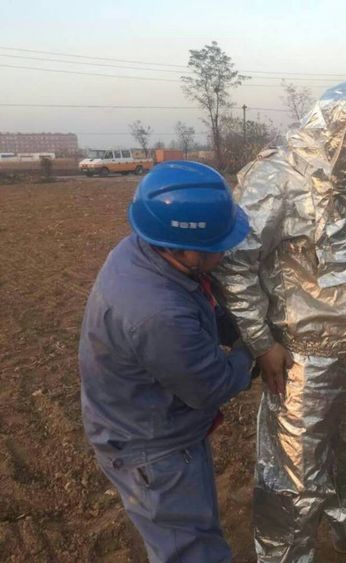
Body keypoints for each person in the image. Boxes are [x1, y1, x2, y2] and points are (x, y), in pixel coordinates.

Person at [215, 78, 346, 562]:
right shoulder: (278, 179)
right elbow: (235, 265)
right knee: (295, 473)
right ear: (339, 135)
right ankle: (283, 556)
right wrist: (261, 343)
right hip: (301, 361)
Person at [79, 161, 253, 562]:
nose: (225, 251)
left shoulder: (141, 248)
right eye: (218, 245)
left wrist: (229, 330)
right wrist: (253, 352)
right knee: (190, 549)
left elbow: (199, 305)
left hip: (137, 416)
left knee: (192, 527)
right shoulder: (158, 313)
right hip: (152, 450)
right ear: (184, 250)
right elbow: (210, 387)